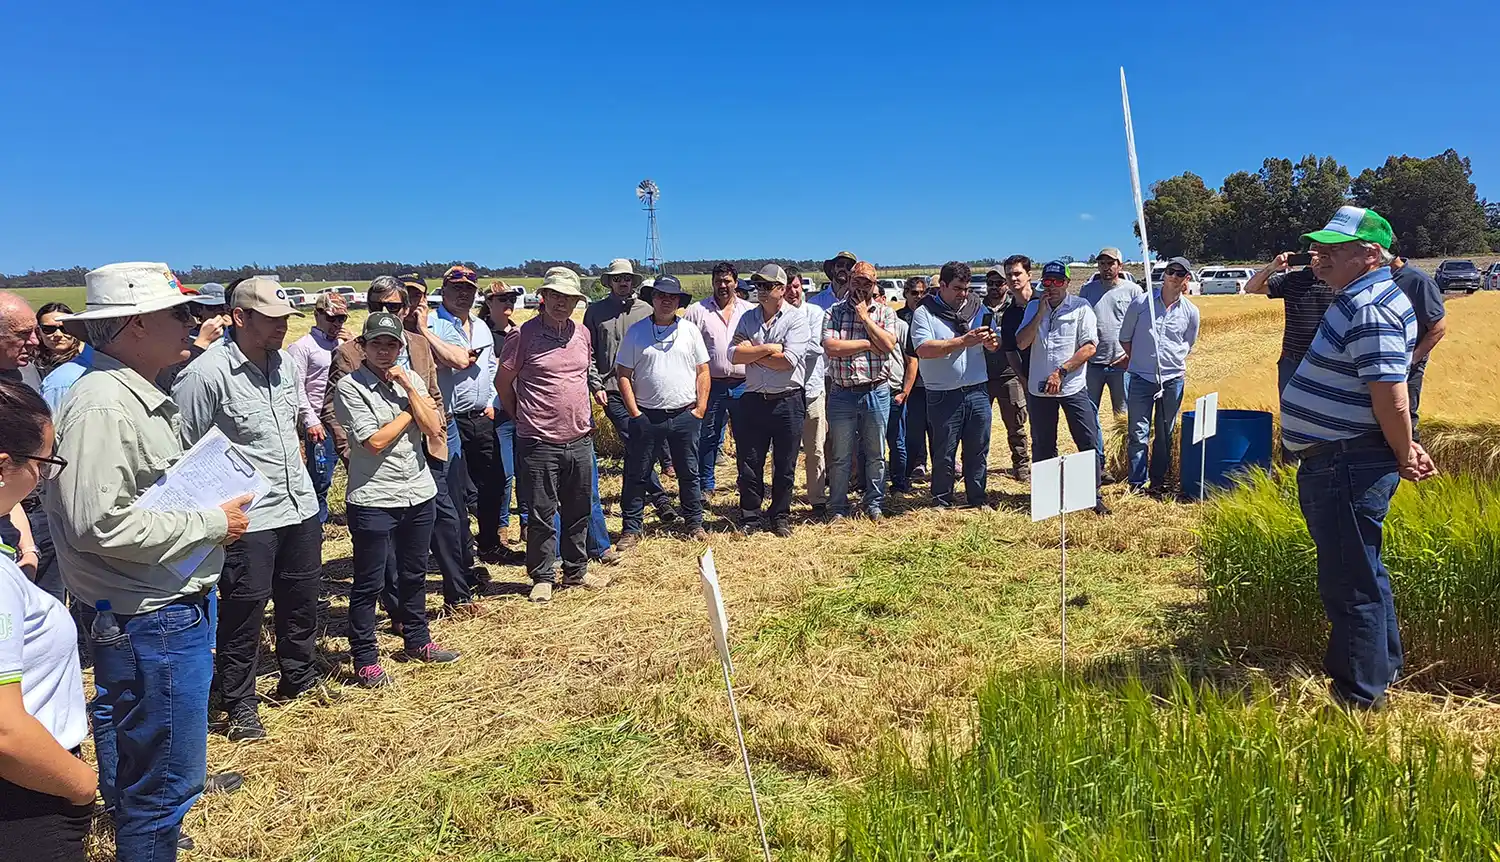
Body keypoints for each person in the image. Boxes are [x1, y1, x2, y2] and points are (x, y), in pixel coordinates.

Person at [46, 262, 251, 859]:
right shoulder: (107, 406)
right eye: (178, 314)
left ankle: (134, 817)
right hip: (152, 613)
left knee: (128, 730)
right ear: (136, 324)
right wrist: (213, 522)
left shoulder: (122, 391)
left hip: (141, 603)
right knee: (167, 781)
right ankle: (147, 835)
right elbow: (98, 523)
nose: (191, 324)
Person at [1284, 206, 1435, 710]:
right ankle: (1382, 670)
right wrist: (1402, 448)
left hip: (1344, 463)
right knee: (1365, 570)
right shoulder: (1362, 297)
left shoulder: (1369, 306)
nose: (1319, 255)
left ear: (1369, 255)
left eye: (1333, 248)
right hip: (1344, 459)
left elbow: (1389, 395)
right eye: (1320, 246)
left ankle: (1360, 698)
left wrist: (1403, 449)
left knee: (1349, 580)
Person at [172, 277, 324, 739]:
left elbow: (295, 421)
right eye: (271, 319)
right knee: (245, 608)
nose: (281, 328)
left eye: (285, 319)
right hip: (249, 516)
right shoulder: (206, 375)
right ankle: (239, 702)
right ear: (241, 317)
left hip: (298, 504)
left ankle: (299, 677)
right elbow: (184, 449)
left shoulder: (286, 366)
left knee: (301, 599)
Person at [323, 278, 476, 614]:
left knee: (447, 521)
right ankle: (399, 613)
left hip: (428, 450)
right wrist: (349, 452)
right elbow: (332, 409)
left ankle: (458, 595)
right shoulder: (349, 353)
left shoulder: (419, 345)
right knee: (391, 544)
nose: (386, 311)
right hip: (378, 459)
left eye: (393, 306)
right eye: (378, 306)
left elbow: (434, 395)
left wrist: (438, 433)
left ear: (405, 309)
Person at [333, 312, 459, 688]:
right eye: (377, 344)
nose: (385, 352)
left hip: (418, 490)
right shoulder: (350, 387)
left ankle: (417, 641)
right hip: (374, 495)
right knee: (369, 581)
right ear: (363, 347)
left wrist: (409, 387)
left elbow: (435, 427)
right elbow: (373, 442)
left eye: (392, 345)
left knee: (414, 573)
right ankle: (365, 656)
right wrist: (411, 410)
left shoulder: (412, 379)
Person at [0, 378, 96, 862]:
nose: (44, 478)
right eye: (43, 464)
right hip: (24, 795)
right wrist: (80, 784)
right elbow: (4, 729)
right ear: (3, 466)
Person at [497, 268, 610, 603]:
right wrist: (519, 416)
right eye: (557, 297)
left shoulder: (582, 334)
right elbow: (503, 384)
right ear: (544, 297)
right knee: (542, 512)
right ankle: (543, 575)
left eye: (570, 298)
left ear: (577, 301)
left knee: (579, 509)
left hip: (579, 437)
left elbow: (583, 375)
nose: (563, 304)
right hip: (539, 439)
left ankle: (576, 571)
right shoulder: (524, 335)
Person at [422, 266, 512, 565]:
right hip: (449, 418)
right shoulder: (432, 325)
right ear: (443, 290)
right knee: (455, 490)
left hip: (481, 414)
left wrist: (491, 401)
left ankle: (488, 543)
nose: (463, 294)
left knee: (494, 481)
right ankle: (460, 552)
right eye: (457, 288)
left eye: (469, 290)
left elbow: (490, 368)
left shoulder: (481, 326)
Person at [615, 275, 710, 545]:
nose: (666, 301)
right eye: (661, 296)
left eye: (672, 297)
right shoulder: (636, 332)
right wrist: (635, 413)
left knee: (689, 472)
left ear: (679, 301)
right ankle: (631, 529)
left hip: (684, 414)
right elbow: (623, 373)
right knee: (637, 472)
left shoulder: (690, 331)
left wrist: (700, 409)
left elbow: (703, 371)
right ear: (652, 299)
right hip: (648, 415)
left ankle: (694, 523)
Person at [586, 259, 677, 529]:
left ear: (633, 282)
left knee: (641, 445)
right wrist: (596, 385)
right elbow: (587, 352)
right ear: (610, 282)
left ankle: (645, 499)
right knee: (636, 443)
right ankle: (660, 500)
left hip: (645, 391)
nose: (623, 282)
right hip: (613, 390)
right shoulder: (594, 312)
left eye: (627, 278)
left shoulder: (646, 310)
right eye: (617, 278)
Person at [1016, 261, 1109, 516]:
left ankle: (1092, 495)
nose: (1053, 287)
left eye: (1058, 282)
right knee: (1044, 443)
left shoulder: (1081, 307)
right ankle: (1046, 497)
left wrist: (1061, 371)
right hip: (1039, 389)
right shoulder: (1034, 307)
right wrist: (1039, 314)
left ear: (1067, 283)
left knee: (1087, 439)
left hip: (1072, 386)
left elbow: (1090, 346)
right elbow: (1022, 343)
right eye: (1048, 282)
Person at [729, 265, 811, 535]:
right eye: (757, 286)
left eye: (766, 286)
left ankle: (780, 515)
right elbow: (733, 355)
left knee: (785, 464)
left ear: (782, 289)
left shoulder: (797, 319)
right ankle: (750, 514)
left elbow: (787, 362)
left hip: (788, 400)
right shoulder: (748, 318)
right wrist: (766, 350)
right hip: (754, 399)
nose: (760, 291)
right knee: (750, 461)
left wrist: (751, 352)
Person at [911, 261, 998, 509]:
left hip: (977, 389)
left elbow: (993, 340)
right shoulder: (924, 312)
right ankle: (941, 500)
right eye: (958, 288)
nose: (963, 294)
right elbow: (923, 349)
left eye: (966, 288)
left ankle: (978, 499)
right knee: (943, 451)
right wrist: (962, 340)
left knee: (978, 449)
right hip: (942, 393)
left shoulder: (977, 308)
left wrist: (992, 343)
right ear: (943, 285)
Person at [822, 261, 899, 520]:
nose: (862, 287)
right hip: (842, 392)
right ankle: (838, 508)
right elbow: (832, 347)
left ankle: (874, 504)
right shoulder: (833, 312)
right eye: (858, 281)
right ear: (849, 280)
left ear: (874, 284)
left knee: (876, 452)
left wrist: (865, 317)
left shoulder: (886, 313)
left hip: (875, 390)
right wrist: (868, 343)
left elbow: (888, 345)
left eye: (868, 282)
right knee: (840, 455)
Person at [1119, 257, 1201, 496]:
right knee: (1138, 432)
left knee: (1165, 433)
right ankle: (1136, 482)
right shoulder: (1141, 303)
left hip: (1172, 379)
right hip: (1141, 378)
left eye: (1180, 273)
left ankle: (1158, 482)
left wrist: (1170, 361)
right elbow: (1125, 337)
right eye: (1170, 271)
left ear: (1186, 279)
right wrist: (1141, 361)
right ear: (1164, 275)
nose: (1174, 276)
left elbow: (1188, 342)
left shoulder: (1191, 312)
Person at [682, 263, 753, 497]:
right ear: (712, 282)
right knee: (708, 436)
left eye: (727, 281)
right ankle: (706, 485)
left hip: (744, 384)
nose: (723, 285)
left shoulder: (750, 310)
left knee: (747, 438)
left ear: (735, 282)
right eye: (718, 281)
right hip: (711, 383)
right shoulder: (697, 311)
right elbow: (687, 347)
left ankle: (747, 483)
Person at [286, 292, 351, 525]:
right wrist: (309, 420)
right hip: (319, 422)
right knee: (321, 477)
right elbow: (296, 387)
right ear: (317, 314)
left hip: (344, 418)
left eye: (341, 319)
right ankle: (316, 524)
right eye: (332, 318)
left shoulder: (345, 345)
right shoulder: (302, 347)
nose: (336, 324)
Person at [1079, 247, 1141, 479]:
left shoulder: (1133, 291)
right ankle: (1098, 465)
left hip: (1122, 365)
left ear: (1120, 266)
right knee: (1089, 415)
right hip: (1092, 364)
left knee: (1123, 417)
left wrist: (1130, 356)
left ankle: (1125, 464)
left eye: (1111, 263)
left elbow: (1142, 327)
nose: (1106, 268)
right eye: (1102, 263)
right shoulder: (1087, 291)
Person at [1244, 250, 1337, 400]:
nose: (1317, 260)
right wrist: (1273, 267)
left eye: (1322, 255)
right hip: (1293, 359)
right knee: (1290, 409)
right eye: (1312, 255)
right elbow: (1251, 288)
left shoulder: (1339, 281)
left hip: (1328, 360)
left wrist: (1328, 272)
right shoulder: (1293, 279)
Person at [481, 281, 525, 548]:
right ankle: (502, 526)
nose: (508, 303)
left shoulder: (519, 333)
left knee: (527, 472)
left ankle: (528, 523)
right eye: (502, 299)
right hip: (496, 411)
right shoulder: (481, 333)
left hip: (521, 410)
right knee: (504, 473)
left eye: (511, 298)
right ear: (489, 303)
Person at [786, 267, 830, 519]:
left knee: (815, 449)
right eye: (788, 287)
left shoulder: (815, 312)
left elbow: (816, 348)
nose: (793, 292)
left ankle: (817, 498)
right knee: (786, 450)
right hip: (785, 390)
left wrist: (784, 346)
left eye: (796, 286)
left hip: (812, 390)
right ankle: (783, 499)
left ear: (801, 286)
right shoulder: (777, 315)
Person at [1387, 255, 1447, 439]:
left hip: (1408, 369)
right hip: (1380, 365)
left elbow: (1438, 328)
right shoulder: (1377, 278)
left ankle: (1410, 462)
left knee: (1404, 419)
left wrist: (1411, 360)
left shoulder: (1418, 281)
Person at [980, 266, 1030, 481]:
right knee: (978, 427)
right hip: (982, 374)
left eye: (998, 283)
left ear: (1006, 285)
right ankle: (977, 469)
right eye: (990, 283)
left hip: (1009, 373)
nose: (993, 287)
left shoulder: (1016, 307)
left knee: (1016, 424)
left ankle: (1022, 466)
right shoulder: (978, 308)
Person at [876, 289, 917, 494]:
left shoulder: (901, 326)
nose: (872, 300)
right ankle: (871, 485)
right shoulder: (862, 326)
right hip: (871, 391)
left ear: (884, 299)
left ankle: (899, 483)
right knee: (871, 443)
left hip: (894, 391)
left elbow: (912, 361)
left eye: (876, 296)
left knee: (897, 441)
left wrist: (905, 391)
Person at [998, 256, 1035, 480]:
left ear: (1029, 275)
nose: (1013, 278)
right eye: (1009, 275)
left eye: (1017, 273)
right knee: (1038, 430)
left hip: (1058, 376)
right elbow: (1011, 350)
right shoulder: (1010, 314)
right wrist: (1022, 377)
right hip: (1029, 377)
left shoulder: (1044, 302)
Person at [895, 277, 932, 484]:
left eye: (921, 292)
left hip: (931, 379)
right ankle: (918, 463)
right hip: (909, 381)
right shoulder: (898, 317)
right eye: (914, 293)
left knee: (935, 425)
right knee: (913, 427)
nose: (918, 296)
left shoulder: (930, 315)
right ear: (905, 294)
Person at [33, 303, 84, 378]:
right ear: (38, 331)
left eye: (65, 328)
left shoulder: (89, 358)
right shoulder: (29, 363)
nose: (58, 334)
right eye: (48, 329)